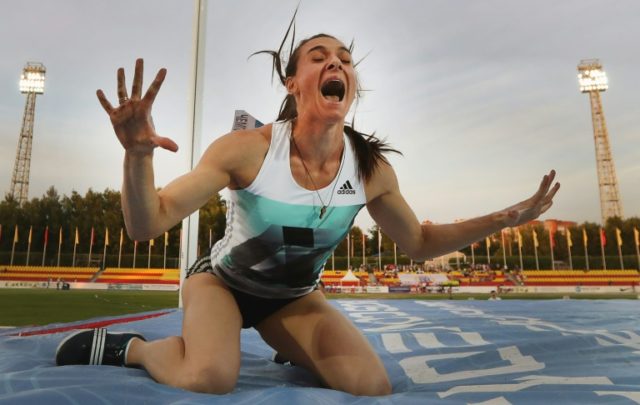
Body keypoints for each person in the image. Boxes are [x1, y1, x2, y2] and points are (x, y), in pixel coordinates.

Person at [55, 31, 559, 396]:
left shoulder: (369, 169)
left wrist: (503, 219)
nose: (335, 63)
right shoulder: (246, 150)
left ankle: (288, 344)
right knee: (210, 377)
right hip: (223, 285)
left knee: (371, 386)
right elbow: (148, 222)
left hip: (292, 298)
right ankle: (135, 348)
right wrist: (137, 156)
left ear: (351, 84)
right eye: (319, 57)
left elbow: (420, 244)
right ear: (293, 82)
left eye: (344, 58)